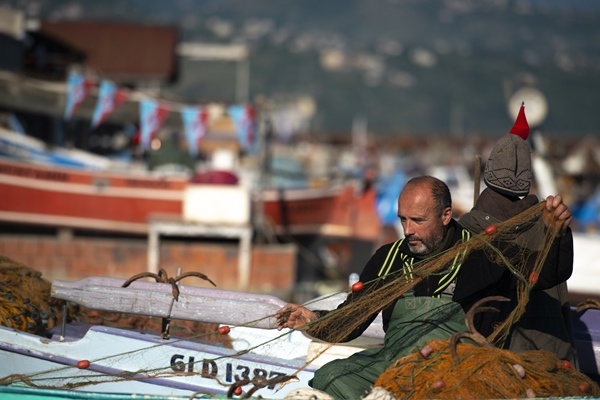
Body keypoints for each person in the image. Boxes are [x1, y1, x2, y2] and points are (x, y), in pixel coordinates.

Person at [276, 175, 573, 399]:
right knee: (331, 377)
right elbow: (351, 319)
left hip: (457, 367)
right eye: (403, 219)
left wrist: (556, 233)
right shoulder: (388, 258)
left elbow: (548, 274)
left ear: (445, 216)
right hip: (392, 362)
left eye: (417, 220)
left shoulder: (483, 253)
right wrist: (312, 320)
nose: (408, 230)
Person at [459, 103, 578, 366]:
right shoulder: (549, 224)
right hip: (551, 356)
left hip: (497, 357)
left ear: (489, 174)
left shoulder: (469, 227)